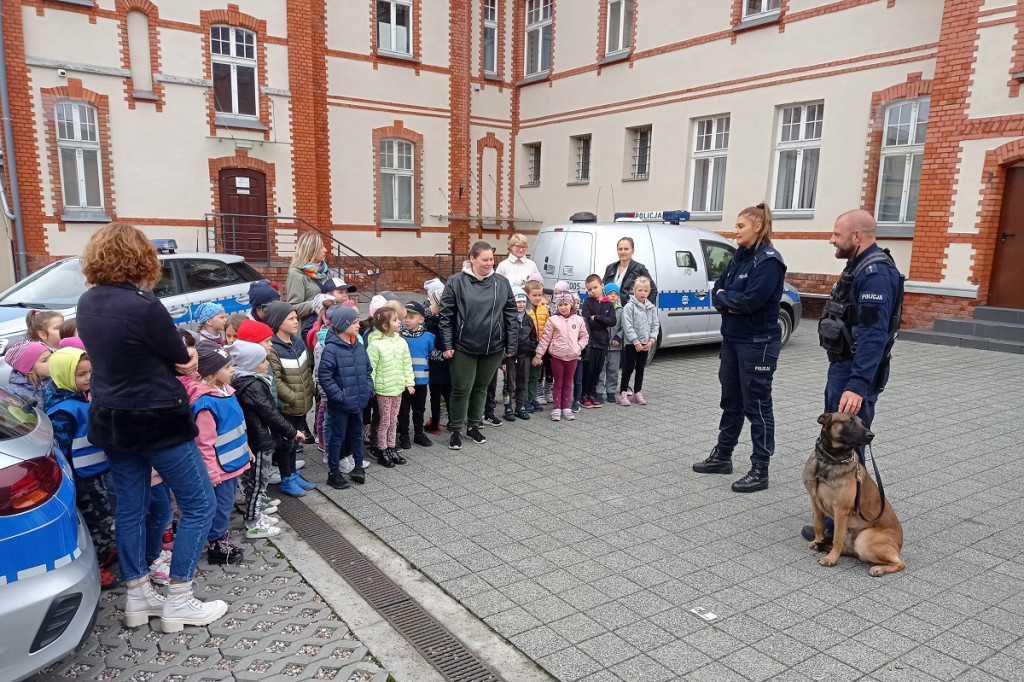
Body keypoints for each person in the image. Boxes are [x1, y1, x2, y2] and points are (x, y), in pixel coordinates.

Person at [75, 223, 225, 632]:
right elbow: (181, 358)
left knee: (132, 507)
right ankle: (179, 598)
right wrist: (191, 364)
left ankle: (138, 596)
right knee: (199, 504)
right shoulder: (144, 305)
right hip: (157, 419)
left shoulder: (87, 301)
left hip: (112, 418)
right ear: (141, 258)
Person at [802, 208, 903, 542]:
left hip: (854, 373)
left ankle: (840, 526)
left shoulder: (875, 273)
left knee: (848, 450)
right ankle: (835, 516)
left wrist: (858, 384)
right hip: (845, 367)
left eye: (836, 234)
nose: (832, 239)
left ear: (856, 236)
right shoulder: (858, 267)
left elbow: (874, 335)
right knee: (838, 449)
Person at [692, 204, 786, 494]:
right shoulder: (739, 257)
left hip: (758, 344)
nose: (736, 231)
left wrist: (727, 300)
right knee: (730, 400)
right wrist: (726, 299)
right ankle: (723, 455)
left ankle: (760, 469)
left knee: (757, 405)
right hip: (732, 340)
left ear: (757, 227)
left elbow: (749, 302)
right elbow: (716, 291)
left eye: (740, 226)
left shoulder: (768, 261)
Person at [44, 347, 118, 589]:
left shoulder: (78, 398)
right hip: (80, 478)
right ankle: (96, 566)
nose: (88, 378)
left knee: (102, 513)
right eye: (81, 374)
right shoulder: (63, 411)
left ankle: (105, 552)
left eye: (90, 372)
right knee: (96, 518)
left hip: (92, 471)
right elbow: (61, 450)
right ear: (64, 375)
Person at [439, 241, 518, 450]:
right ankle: (456, 428)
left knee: (481, 388)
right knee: (461, 388)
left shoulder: (501, 283)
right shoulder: (456, 282)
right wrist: (447, 344)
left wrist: (511, 345)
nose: (489, 263)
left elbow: (511, 314)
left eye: (491, 259)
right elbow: (446, 316)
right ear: (472, 259)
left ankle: (473, 425)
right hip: (463, 346)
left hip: (493, 347)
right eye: (485, 260)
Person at [187, 342, 252, 564]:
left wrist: (247, 449)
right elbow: (204, 443)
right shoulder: (206, 403)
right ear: (212, 373)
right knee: (222, 504)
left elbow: (236, 427)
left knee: (226, 502)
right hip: (221, 467)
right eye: (226, 367)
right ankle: (217, 543)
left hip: (232, 461)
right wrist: (211, 472)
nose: (232, 370)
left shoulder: (227, 391)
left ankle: (220, 536)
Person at [229, 339, 298, 539]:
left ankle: (256, 515)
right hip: (259, 441)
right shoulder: (252, 385)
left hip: (261, 438)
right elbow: (269, 413)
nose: (267, 364)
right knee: (257, 482)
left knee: (259, 481)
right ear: (251, 364)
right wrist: (291, 431)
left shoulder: (251, 381)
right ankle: (253, 522)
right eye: (262, 361)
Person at [264, 301, 317, 496]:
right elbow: (276, 380)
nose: (296, 322)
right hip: (288, 406)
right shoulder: (274, 348)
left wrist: (309, 390)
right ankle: (287, 479)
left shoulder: (297, 342)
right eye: (291, 319)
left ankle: (294, 474)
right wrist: (294, 397)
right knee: (286, 443)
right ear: (278, 322)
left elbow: (306, 370)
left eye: (296, 318)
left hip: (300, 404)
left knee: (295, 442)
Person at [319, 305, 374, 488]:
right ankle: (333, 472)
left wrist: (367, 390)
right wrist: (339, 396)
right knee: (337, 438)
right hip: (341, 404)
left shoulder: (357, 346)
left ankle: (358, 466)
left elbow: (367, 371)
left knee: (357, 435)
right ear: (343, 325)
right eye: (354, 322)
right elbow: (325, 377)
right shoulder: (331, 350)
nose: (358, 325)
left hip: (358, 401)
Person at [367, 307, 414, 466]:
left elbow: (406, 363)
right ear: (385, 326)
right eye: (395, 320)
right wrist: (371, 387)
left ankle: (391, 448)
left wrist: (409, 382)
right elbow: (371, 368)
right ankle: (382, 450)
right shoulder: (375, 345)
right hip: (383, 390)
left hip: (397, 388)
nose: (399, 321)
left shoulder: (401, 342)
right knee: (385, 421)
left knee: (394, 420)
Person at [533, 292, 588, 421]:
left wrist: (577, 347)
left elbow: (584, 336)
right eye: (560, 305)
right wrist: (539, 355)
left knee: (568, 383)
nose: (563, 307)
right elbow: (546, 339)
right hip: (557, 357)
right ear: (556, 306)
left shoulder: (578, 320)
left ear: (571, 305)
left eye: (566, 304)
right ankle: (557, 408)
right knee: (558, 383)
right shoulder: (553, 320)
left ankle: (566, 407)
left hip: (573, 357)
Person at [617, 276, 660, 407]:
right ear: (634, 290)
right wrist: (635, 341)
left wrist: (651, 341)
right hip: (632, 344)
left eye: (645, 290)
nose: (642, 293)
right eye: (640, 290)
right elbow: (627, 325)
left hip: (646, 344)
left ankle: (637, 392)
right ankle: (623, 393)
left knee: (640, 368)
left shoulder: (651, 308)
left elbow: (655, 325)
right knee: (628, 368)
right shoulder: (629, 307)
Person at [398, 301, 435, 449]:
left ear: (421, 319)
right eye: (405, 316)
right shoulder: (398, 337)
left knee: (419, 409)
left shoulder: (429, 337)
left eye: (411, 317)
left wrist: (446, 354)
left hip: (421, 381)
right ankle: (404, 435)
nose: (407, 320)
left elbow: (433, 355)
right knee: (403, 410)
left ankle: (419, 433)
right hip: (404, 382)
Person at [580, 275, 616, 408]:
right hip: (590, 343)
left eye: (595, 287)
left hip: (602, 342)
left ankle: (592, 394)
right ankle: (584, 394)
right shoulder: (588, 303)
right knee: (588, 370)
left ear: (602, 285)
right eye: (589, 289)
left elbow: (612, 321)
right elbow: (586, 321)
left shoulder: (608, 304)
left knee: (597, 370)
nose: (592, 291)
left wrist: (598, 318)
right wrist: (600, 322)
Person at [505, 287, 537, 420]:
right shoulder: (507, 319)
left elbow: (534, 338)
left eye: (523, 301)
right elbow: (502, 338)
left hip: (525, 356)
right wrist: (502, 359)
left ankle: (520, 406)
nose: (521, 304)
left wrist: (533, 352)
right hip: (510, 357)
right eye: (518, 301)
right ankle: (508, 408)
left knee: (523, 382)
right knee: (509, 384)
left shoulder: (529, 320)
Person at [287, 231, 330, 330]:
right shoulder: (296, 274)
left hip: (328, 324)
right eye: (321, 247)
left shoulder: (325, 271)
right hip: (310, 329)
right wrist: (314, 304)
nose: (326, 250)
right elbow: (293, 307)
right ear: (311, 250)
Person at [423, 280, 450, 434]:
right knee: (449, 394)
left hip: (435, 366)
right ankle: (453, 420)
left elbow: (429, 346)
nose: (429, 306)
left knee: (435, 395)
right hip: (449, 365)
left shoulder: (431, 324)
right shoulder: (452, 323)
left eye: (432, 304)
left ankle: (435, 423)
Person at [602, 237, 658, 305]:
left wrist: (644, 308)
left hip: (631, 312)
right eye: (620, 249)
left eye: (626, 249)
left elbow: (653, 290)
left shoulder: (639, 269)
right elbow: (602, 289)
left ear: (633, 251)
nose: (623, 252)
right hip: (611, 312)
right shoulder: (610, 268)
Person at [523, 279, 550, 412]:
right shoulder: (525, 310)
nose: (538, 298)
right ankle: (524, 399)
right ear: (527, 295)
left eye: (540, 295)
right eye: (534, 295)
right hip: (527, 349)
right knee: (525, 375)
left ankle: (533, 398)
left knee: (535, 375)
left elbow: (547, 329)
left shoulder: (544, 310)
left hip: (540, 348)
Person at [596, 282, 623, 403]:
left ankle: (611, 391)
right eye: (610, 294)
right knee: (600, 369)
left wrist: (618, 337)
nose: (613, 296)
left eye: (615, 294)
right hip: (602, 345)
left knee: (613, 369)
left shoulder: (621, 311)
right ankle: (599, 392)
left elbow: (624, 327)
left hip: (615, 347)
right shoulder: (601, 308)